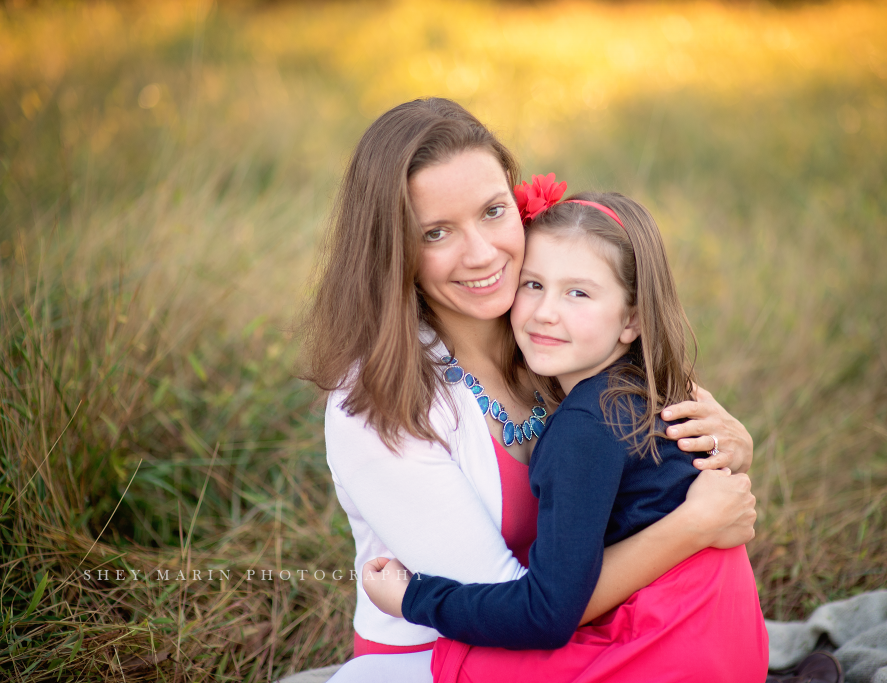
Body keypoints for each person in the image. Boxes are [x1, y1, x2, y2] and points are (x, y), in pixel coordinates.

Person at [291, 98, 756, 682]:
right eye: (436, 232)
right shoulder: (376, 402)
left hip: (601, 633)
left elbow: (667, 437)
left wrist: (731, 445)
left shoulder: (549, 330)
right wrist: (689, 530)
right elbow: (528, 608)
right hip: (453, 655)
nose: (483, 254)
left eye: (492, 211)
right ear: (394, 251)